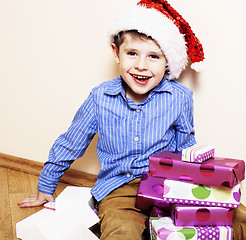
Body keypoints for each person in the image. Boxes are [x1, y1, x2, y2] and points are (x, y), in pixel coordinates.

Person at [18, 0, 207, 239]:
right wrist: (46, 184)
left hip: (169, 184)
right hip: (120, 188)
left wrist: (203, 184)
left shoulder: (179, 97)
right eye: (132, 53)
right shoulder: (100, 97)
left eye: (153, 57)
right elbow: (71, 142)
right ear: (116, 53)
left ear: (167, 61)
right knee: (122, 230)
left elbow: (185, 145)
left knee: (232, 218)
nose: (141, 65)